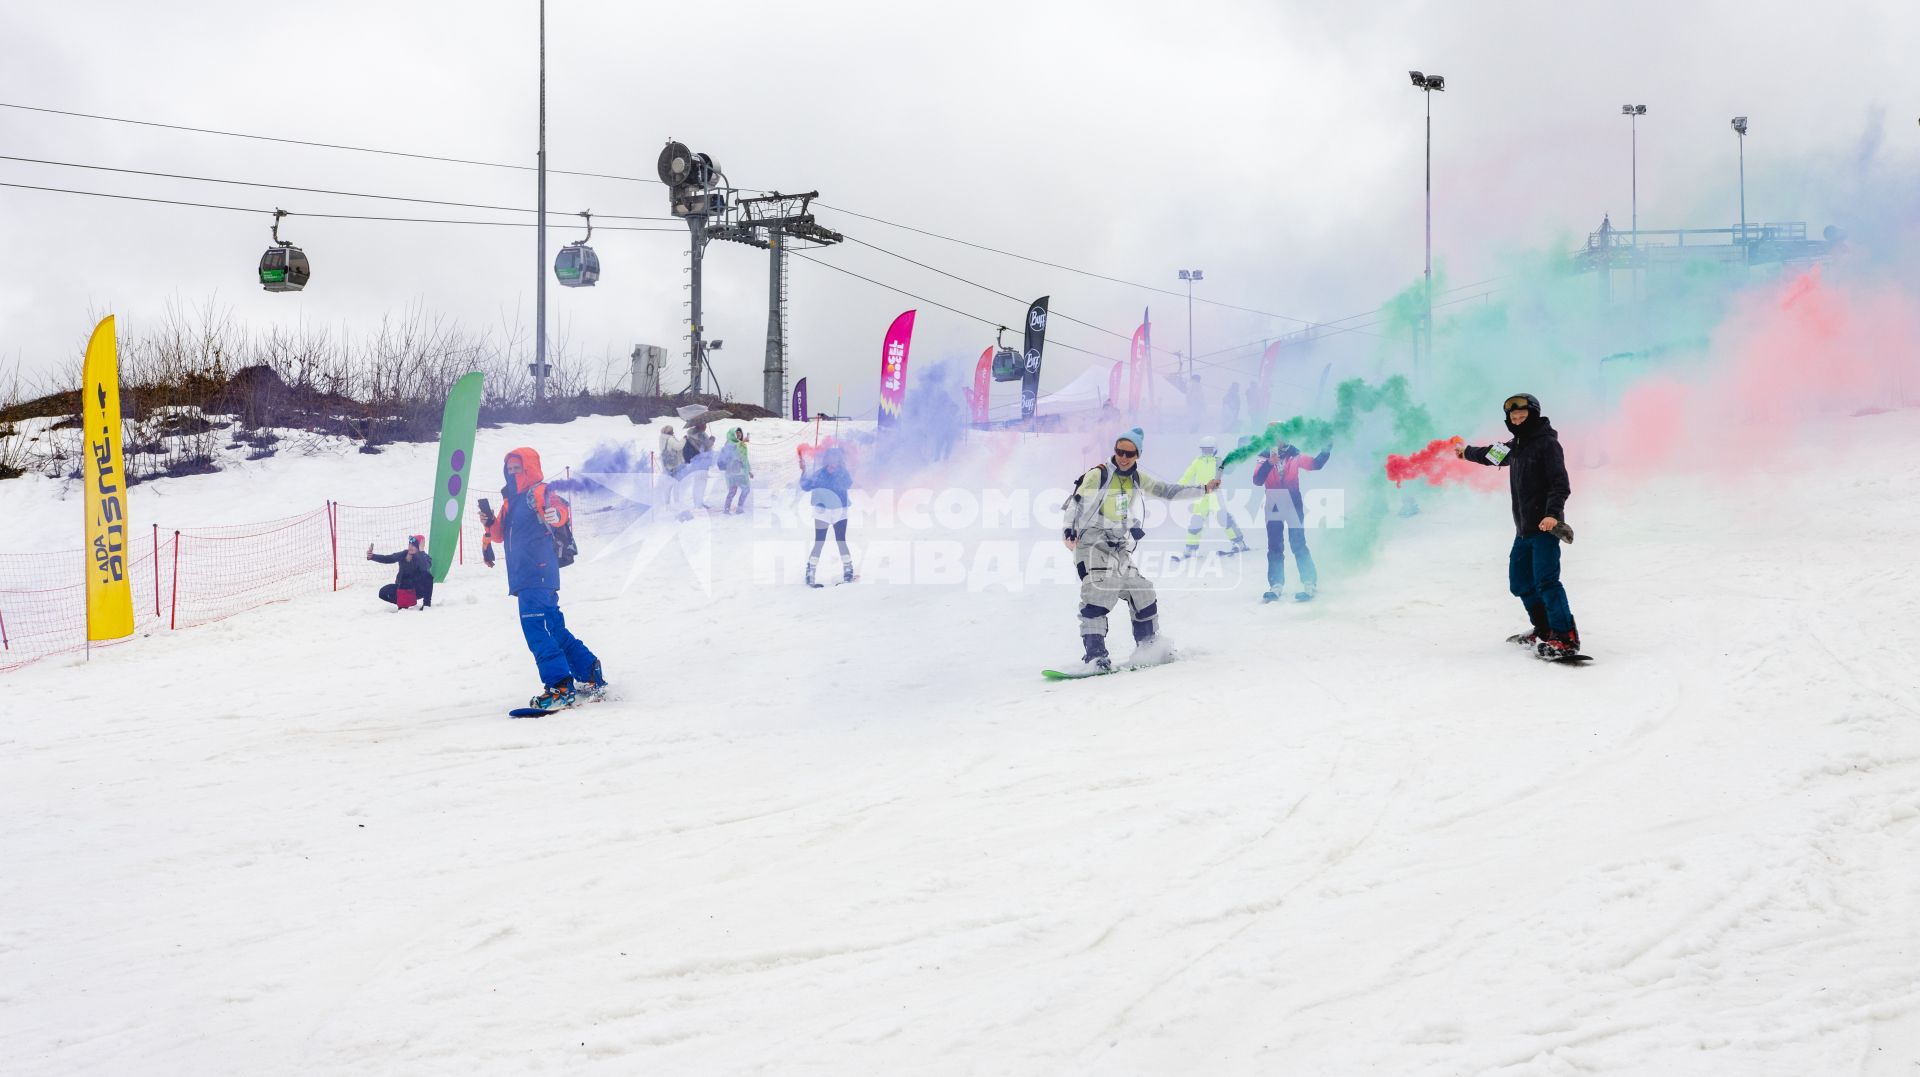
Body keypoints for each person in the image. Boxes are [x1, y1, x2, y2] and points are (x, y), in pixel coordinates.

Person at [1061, 427, 1218, 672]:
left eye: (1129, 453)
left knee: (1142, 591)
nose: (1123, 457)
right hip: (1092, 543)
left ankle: (1148, 646)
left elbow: (1168, 491)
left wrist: (1204, 489)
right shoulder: (1099, 475)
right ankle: (1095, 657)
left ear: (1138, 455)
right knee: (1099, 592)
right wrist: (1069, 529)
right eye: (1119, 451)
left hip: (1117, 546)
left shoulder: (1136, 478)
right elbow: (1077, 501)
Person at [480, 447, 606, 710]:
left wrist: (556, 516)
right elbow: (500, 535)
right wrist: (489, 522)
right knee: (553, 628)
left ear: (530, 468)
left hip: (536, 572)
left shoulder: (538, 491)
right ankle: (590, 672)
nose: (514, 473)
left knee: (536, 629)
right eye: (510, 469)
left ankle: (559, 687)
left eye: (518, 468)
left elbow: (559, 509)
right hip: (530, 576)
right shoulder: (510, 500)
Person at [1457, 392, 1581, 657]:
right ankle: (1544, 628)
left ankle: (1565, 637)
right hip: (1523, 529)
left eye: (1522, 415)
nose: (1517, 418)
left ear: (1533, 415)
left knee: (1547, 582)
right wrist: (1466, 452)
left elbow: (1560, 484)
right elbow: (1492, 454)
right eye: (1513, 416)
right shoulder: (1516, 444)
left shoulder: (1547, 444)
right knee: (1520, 582)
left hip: (1545, 528)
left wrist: (1553, 515)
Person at [1252, 441, 1330, 603]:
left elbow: (1315, 464)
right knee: (1275, 545)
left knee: (1298, 543)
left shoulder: (1294, 454)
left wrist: (1326, 449)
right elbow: (1257, 480)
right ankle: (1276, 585)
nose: (1277, 441)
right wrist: (1268, 464)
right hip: (1274, 502)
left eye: (1280, 436)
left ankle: (1309, 582)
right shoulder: (1264, 456)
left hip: (1293, 501)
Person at [1172, 436, 1249, 562]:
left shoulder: (1218, 461)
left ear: (1214, 449)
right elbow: (1187, 475)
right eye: (1204, 449)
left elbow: (1229, 469)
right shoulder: (1197, 461)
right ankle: (1191, 549)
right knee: (1196, 521)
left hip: (1214, 496)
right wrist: (1178, 486)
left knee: (1223, 518)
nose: (1206, 452)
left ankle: (1239, 544)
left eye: (1208, 449)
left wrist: (1240, 452)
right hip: (1200, 495)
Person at [799, 444, 855, 588]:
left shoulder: (843, 473)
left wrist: (837, 473)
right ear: (826, 458)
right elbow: (805, 486)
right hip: (822, 511)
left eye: (835, 456)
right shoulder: (819, 473)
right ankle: (810, 573)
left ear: (839, 458)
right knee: (819, 541)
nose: (833, 459)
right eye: (830, 456)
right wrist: (804, 471)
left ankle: (848, 571)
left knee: (841, 540)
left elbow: (848, 484)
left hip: (840, 510)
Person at [367, 534, 434, 609]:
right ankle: (404, 602)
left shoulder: (425, 557)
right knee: (382, 592)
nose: (410, 547)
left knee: (428, 576)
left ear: (419, 547)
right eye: (409, 544)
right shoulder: (404, 554)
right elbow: (388, 558)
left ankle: (426, 604)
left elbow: (424, 567)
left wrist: (421, 552)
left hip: (417, 590)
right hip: (403, 589)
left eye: (413, 545)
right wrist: (372, 556)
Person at [720, 427, 753, 514]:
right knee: (742, 490)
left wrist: (749, 471)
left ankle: (732, 508)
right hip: (734, 471)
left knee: (739, 490)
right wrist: (742, 442)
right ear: (732, 434)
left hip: (740, 471)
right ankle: (734, 508)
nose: (739, 434)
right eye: (736, 433)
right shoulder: (729, 443)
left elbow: (745, 459)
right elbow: (733, 452)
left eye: (740, 433)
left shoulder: (742, 444)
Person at [658, 424, 685, 509]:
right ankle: (676, 502)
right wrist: (684, 439)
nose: (673, 432)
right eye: (672, 430)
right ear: (669, 432)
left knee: (668, 485)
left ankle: (667, 504)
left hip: (666, 464)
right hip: (673, 464)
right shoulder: (669, 439)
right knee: (676, 484)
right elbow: (678, 446)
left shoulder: (662, 438)